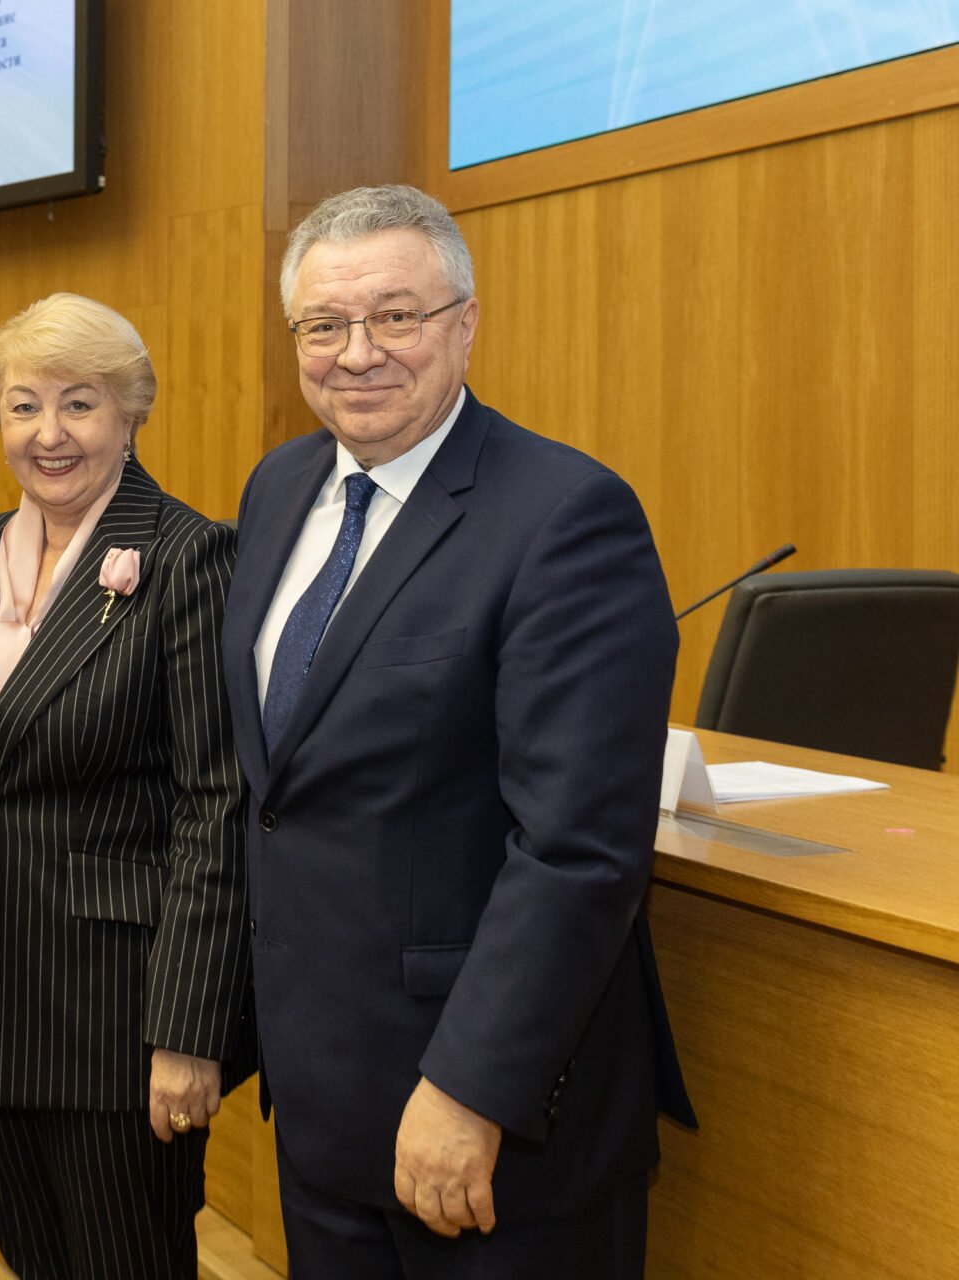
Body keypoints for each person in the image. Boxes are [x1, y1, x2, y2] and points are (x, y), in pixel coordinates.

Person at [224, 183, 696, 1277]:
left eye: (397, 316)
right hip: (322, 1107)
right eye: (324, 325)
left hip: (488, 1125)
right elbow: (281, 791)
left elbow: (578, 845)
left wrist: (473, 1084)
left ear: (467, 322)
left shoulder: (566, 516)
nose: (358, 353)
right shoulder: (280, 485)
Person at [0, 293, 251, 1277]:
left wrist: (189, 1035)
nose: (49, 433)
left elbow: (217, 805)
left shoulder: (189, 554)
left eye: (81, 403)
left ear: (131, 411)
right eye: (23, 405)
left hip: (119, 1019)